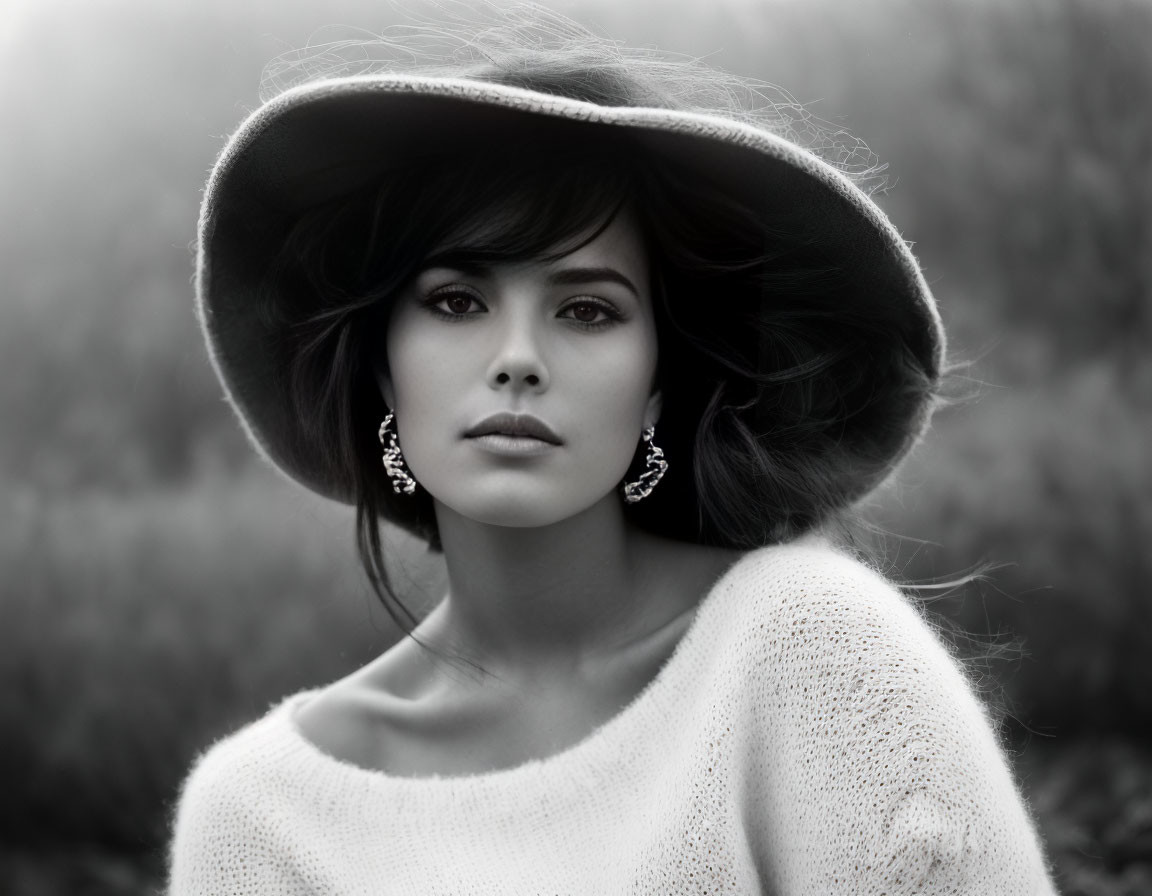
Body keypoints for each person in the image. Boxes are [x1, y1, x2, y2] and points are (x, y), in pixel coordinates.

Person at [168, 8, 1057, 894]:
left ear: (658, 384)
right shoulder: (259, 815)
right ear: (381, 370)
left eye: (587, 310)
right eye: (456, 302)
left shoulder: (812, 650)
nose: (517, 359)